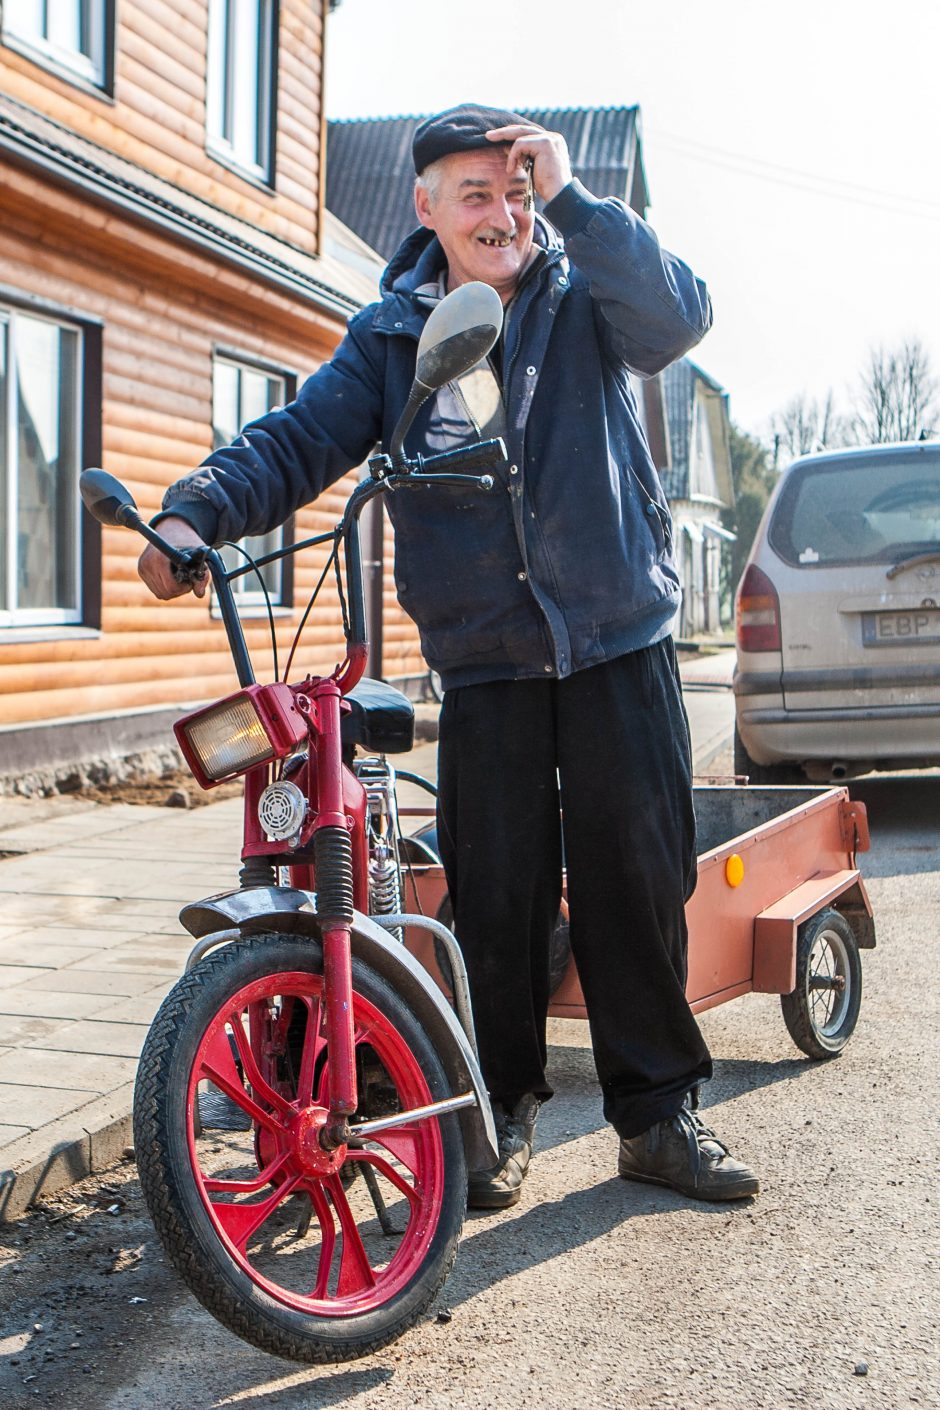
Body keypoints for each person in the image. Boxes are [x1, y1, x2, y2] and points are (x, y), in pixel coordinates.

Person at [139, 104, 759, 1209]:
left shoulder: (586, 294)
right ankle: (500, 1111)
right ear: (424, 208)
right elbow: (298, 438)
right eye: (476, 192)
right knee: (496, 896)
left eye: (517, 188)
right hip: (486, 662)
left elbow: (678, 320)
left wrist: (572, 196)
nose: (504, 211)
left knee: (636, 877)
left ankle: (657, 1115)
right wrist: (196, 513)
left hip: (619, 640)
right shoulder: (389, 340)